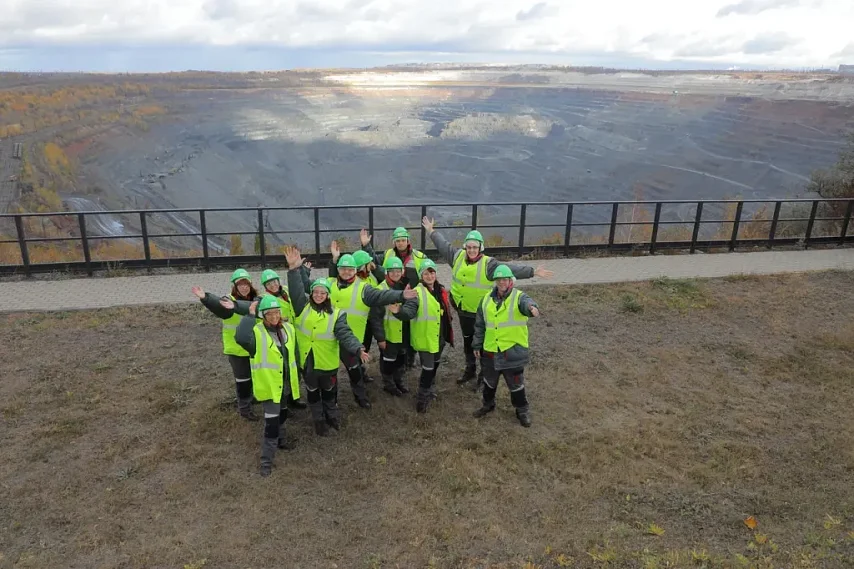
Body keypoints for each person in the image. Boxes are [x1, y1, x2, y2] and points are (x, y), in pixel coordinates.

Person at [421, 216, 553, 391]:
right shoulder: (457, 257)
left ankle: (483, 377)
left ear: (481, 247)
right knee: (468, 342)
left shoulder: (489, 264)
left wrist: (533, 272)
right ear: (465, 247)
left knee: (483, 346)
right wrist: (431, 230)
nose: (471, 250)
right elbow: (442, 244)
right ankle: (470, 370)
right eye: (469, 247)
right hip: (463, 311)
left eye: (475, 247)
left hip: (482, 314)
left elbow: (509, 270)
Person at [283, 246, 371, 436]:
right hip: (308, 362)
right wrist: (293, 269)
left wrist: (357, 349)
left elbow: (345, 333)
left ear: (328, 295)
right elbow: (296, 290)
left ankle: (332, 416)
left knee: (329, 391)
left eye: (323, 293)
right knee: (313, 393)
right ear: (312, 293)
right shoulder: (302, 308)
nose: (319, 295)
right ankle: (319, 421)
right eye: (316, 292)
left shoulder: (337, 314)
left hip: (327, 363)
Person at [324, 250, 417, 409]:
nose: (346, 272)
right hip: (328, 338)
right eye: (343, 269)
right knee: (330, 373)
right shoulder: (329, 284)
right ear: (338, 270)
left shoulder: (364, 288)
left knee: (355, 370)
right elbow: (309, 287)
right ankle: (332, 401)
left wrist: (401, 295)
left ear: (355, 270)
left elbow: (381, 296)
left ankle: (360, 397)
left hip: (351, 339)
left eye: (350, 269)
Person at [230, 295, 300, 477]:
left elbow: (294, 354)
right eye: (270, 314)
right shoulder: (256, 333)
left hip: (284, 384)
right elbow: (240, 338)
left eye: (277, 312)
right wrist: (250, 315)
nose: (274, 316)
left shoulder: (289, 329)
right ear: (263, 315)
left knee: (283, 414)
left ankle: (282, 441)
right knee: (271, 424)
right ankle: (266, 462)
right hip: (269, 387)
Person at [472, 265, 541, 427]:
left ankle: (522, 411)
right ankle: (488, 405)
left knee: (516, 384)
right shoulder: (486, 299)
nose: (502, 282)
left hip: (512, 352)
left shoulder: (519, 297)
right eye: (499, 280)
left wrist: (532, 309)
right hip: (490, 351)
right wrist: (476, 345)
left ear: (511, 281)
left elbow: (527, 304)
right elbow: (480, 325)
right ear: (496, 281)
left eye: (505, 279)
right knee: (489, 382)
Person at [191, 268, 260, 421]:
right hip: (237, 349)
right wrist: (206, 298)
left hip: (255, 347)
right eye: (240, 284)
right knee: (243, 380)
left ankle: (252, 398)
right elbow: (220, 308)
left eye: (246, 283)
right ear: (234, 286)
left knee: (254, 376)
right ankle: (244, 409)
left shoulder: (256, 299)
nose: (244, 287)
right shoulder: (228, 300)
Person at [363, 226, 426, 371]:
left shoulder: (419, 256)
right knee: (394, 327)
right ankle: (393, 363)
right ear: (394, 242)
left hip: (412, 294)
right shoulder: (388, 254)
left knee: (410, 327)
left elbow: (426, 272)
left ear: (408, 240)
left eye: (403, 240)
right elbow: (374, 262)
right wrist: (367, 246)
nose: (401, 243)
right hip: (392, 293)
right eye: (398, 241)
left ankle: (409, 358)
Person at [394, 259, 454, 413]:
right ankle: (422, 398)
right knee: (428, 368)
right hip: (425, 338)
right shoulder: (417, 293)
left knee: (436, 363)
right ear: (421, 275)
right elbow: (409, 311)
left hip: (440, 336)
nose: (429, 276)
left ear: (435, 273)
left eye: (432, 272)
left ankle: (430, 387)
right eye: (426, 273)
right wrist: (399, 312)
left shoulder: (441, 290)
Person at [257, 268, 307, 410]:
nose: (273, 285)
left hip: (293, 334)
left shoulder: (285, 290)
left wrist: (305, 271)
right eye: (268, 283)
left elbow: (298, 289)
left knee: (294, 367)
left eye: (274, 281)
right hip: (279, 337)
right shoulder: (263, 299)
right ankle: (283, 404)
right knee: (283, 371)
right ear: (264, 286)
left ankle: (293, 398)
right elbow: (256, 310)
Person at [369, 256, 410, 396]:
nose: (395, 274)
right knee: (388, 361)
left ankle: (398, 381)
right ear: (386, 272)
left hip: (401, 334)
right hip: (389, 335)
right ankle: (389, 384)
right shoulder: (380, 290)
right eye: (392, 271)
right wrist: (380, 338)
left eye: (398, 271)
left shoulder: (404, 287)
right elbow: (375, 318)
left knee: (400, 360)